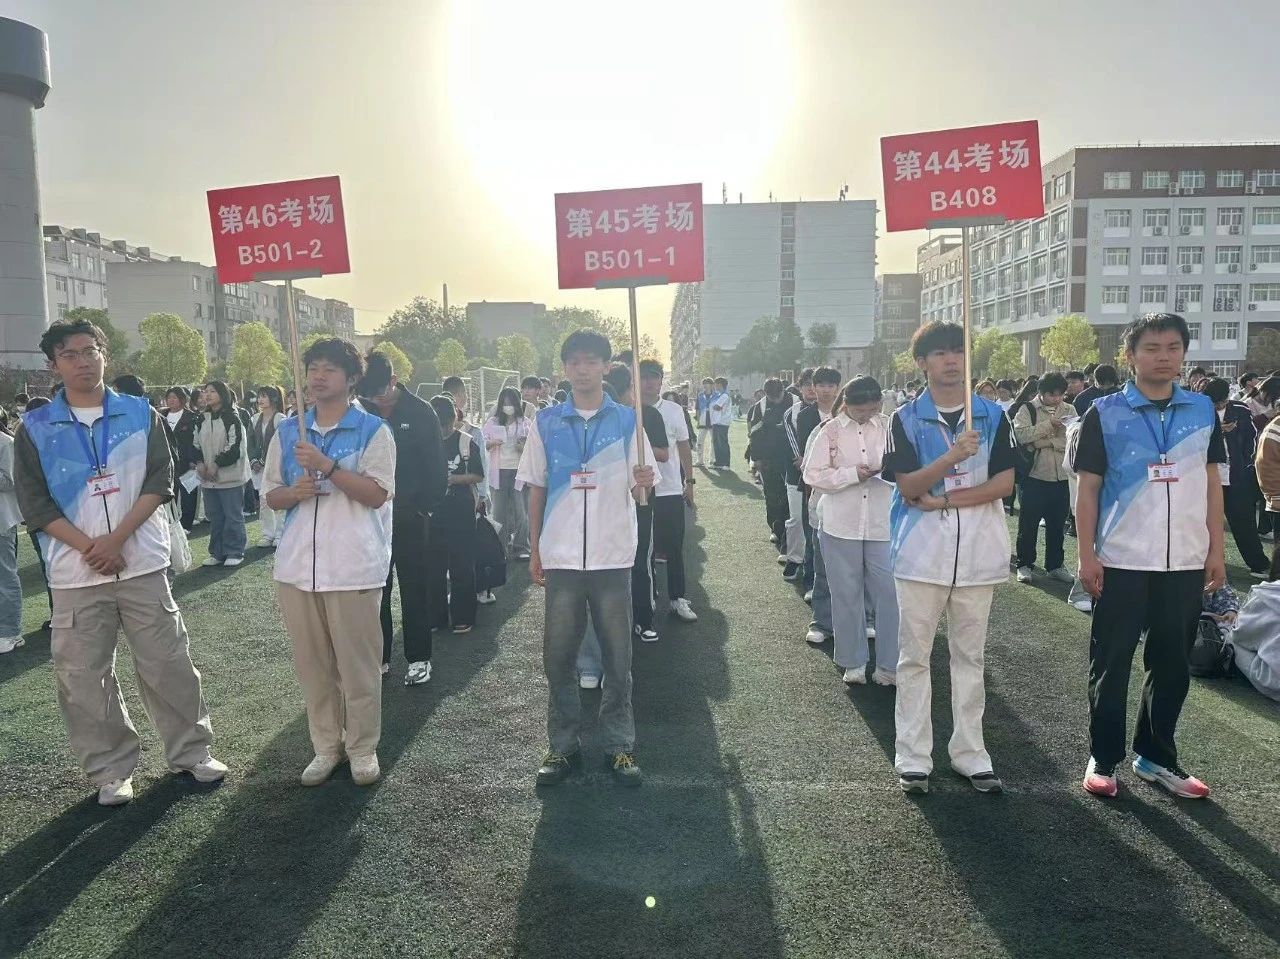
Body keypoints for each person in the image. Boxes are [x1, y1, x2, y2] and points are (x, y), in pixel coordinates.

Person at [15, 318, 226, 805]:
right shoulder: (36, 428)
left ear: (104, 354)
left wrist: (117, 540)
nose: (83, 361)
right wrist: (91, 547)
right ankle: (111, 770)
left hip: (141, 562)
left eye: (90, 350)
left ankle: (191, 752)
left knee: (169, 662)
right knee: (85, 677)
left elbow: (160, 480)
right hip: (75, 572)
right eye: (70, 355)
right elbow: (36, 504)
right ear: (53, 365)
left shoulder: (139, 412)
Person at [1074, 313, 1224, 800]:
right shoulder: (1104, 412)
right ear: (1130, 355)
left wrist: (1216, 548)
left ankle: (1156, 756)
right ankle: (1104, 756)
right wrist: (1087, 555)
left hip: (1184, 562)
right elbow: (1088, 489)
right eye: (1152, 348)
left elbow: (1212, 483)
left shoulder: (1202, 409)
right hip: (1121, 559)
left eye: (1173, 348)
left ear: (1184, 354)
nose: (1164, 357)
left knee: (1173, 664)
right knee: (1111, 662)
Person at [882, 322, 1016, 796]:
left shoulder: (993, 416)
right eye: (940, 353)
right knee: (914, 658)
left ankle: (971, 754)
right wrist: (951, 458)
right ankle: (913, 756)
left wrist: (945, 500)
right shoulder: (904, 418)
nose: (951, 360)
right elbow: (907, 486)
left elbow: (1004, 484)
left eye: (958, 351)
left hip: (979, 553)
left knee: (970, 657)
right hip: (920, 554)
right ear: (922, 363)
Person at [518, 329, 655, 787]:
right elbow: (536, 488)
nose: (582, 369)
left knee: (618, 658)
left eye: (591, 361)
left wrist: (643, 481)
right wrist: (535, 546)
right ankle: (562, 747)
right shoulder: (546, 423)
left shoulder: (628, 421)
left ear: (605, 367)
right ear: (564, 368)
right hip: (561, 557)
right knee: (558, 657)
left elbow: (642, 488)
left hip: (612, 556)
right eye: (574, 361)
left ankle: (619, 745)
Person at [262, 338, 396, 787]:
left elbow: (377, 494)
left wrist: (329, 467)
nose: (318, 377)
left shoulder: (373, 430)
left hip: (354, 565)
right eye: (313, 368)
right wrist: (294, 492)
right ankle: (325, 746)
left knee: (358, 667)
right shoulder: (289, 431)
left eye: (329, 370)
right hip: (297, 568)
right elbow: (271, 495)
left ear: (352, 378)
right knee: (313, 666)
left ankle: (362, 748)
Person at [354, 351, 447, 683]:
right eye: (367, 395)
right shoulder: (361, 412)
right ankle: (379, 657)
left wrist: (425, 507)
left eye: (380, 393)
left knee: (414, 587)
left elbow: (437, 466)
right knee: (374, 588)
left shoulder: (421, 412)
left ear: (393, 381)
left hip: (411, 515)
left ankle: (419, 658)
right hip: (369, 515)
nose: (375, 400)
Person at [803, 376, 897, 686]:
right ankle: (853, 661)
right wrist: (851, 474)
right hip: (840, 523)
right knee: (846, 594)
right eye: (859, 411)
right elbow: (812, 474)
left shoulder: (890, 427)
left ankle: (889, 664)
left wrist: (886, 472)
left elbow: (906, 466)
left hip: (883, 522)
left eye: (871, 409)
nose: (866, 415)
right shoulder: (829, 430)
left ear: (879, 404)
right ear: (846, 404)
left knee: (889, 594)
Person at [605, 362, 668, 643]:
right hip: (607, 508)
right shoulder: (595, 424)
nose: (637, 392)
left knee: (640, 560)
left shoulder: (645, 417)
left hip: (639, 504)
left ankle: (643, 618)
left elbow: (662, 456)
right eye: (632, 387)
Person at [640, 359, 697, 623]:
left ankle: (677, 598)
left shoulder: (674, 410)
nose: (649, 382)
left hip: (670, 489)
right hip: (639, 491)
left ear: (661, 381)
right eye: (643, 377)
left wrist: (690, 482)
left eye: (654, 377)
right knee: (643, 548)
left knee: (674, 546)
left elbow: (684, 447)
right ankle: (647, 597)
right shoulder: (629, 411)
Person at [1199, 378, 1268, 577]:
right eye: (1214, 403)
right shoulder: (1199, 411)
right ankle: (1202, 565)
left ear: (1227, 398)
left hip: (1236, 475)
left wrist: (1246, 461)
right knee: (1203, 524)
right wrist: (1219, 431)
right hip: (1208, 476)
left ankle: (1258, 564)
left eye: (1221, 402)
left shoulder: (1241, 409)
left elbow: (1252, 436)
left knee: (1244, 522)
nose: (1218, 406)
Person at [427, 395, 483, 634]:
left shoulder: (466, 442)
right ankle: (436, 616)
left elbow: (478, 475)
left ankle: (463, 616)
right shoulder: (425, 442)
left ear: (454, 419)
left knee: (462, 565)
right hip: (432, 513)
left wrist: (453, 479)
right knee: (433, 567)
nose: (442, 430)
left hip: (461, 512)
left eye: (445, 425)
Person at [1012, 372, 1075, 584]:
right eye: (1052, 395)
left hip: (1062, 478)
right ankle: (1024, 564)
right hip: (1034, 476)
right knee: (1028, 525)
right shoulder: (1028, 409)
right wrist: (1050, 425)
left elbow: (1073, 440)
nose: (1057, 399)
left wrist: (1045, 442)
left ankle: (1055, 565)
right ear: (1041, 392)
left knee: (1057, 526)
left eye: (1060, 395)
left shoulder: (1070, 409)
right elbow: (1022, 435)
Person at [791, 366, 841, 592]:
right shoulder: (805, 415)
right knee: (813, 528)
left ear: (838, 387)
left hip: (842, 478)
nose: (826, 390)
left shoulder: (844, 411)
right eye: (821, 385)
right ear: (813, 387)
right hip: (813, 480)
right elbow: (806, 451)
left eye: (831, 385)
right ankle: (811, 580)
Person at [194, 381, 249, 567]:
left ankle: (235, 551)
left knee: (232, 515)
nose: (207, 395)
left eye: (213, 391)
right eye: (206, 391)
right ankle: (217, 552)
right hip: (207, 478)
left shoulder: (232, 417)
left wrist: (217, 464)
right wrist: (200, 463)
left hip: (229, 476)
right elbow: (194, 444)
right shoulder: (201, 418)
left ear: (222, 394)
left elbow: (235, 447)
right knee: (215, 516)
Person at [482, 386, 532, 560]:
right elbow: (483, 443)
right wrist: (492, 443)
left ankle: (521, 546)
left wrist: (523, 447)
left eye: (511, 403)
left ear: (517, 404)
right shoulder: (493, 422)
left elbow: (533, 447)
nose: (508, 406)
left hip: (519, 472)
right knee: (499, 513)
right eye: (504, 403)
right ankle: (500, 547)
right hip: (499, 472)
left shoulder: (525, 422)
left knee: (522, 512)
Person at [748, 378, 794, 549]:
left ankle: (789, 531)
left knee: (789, 496)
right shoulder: (760, 407)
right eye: (771, 397)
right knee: (772, 495)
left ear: (783, 391)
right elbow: (754, 434)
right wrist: (756, 459)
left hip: (791, 458)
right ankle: (776, 528)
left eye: (778, 396)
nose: (775, 400)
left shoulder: (795, 402)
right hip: (768, 459)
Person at [781, 370, 817, 580]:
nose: (811, 388)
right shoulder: (791, 413)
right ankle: (794, 559)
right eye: (807, 384)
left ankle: (817, 565)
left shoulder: (834, 410)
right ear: (800, 387)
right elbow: (793, 445)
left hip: (824, 477)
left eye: (815, 383)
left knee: (819, 520)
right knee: (796, 518)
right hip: (796, 475)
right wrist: (805, 462)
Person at [249, 386, 287, 548]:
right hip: (258, 467)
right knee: (263, 500)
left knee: (277, 499)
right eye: (259, 396)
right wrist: (254, 460)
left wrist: (264, 460)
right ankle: (267, 534)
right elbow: (250, 442)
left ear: (274, 398)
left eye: (264, 396)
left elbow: (281, 443)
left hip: (276, 464)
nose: (260, 400)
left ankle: (280, 533)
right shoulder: (254, 418)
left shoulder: (280, 419)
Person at [0, 408, 22, 654]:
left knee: (4, 577)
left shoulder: (6, 443)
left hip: (2, 521)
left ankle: (10, 632)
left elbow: (11, 481)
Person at [163, 387, 201, 531]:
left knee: (188, 493)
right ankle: (171, 523)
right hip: (167, 462)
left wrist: (194, 459)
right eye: (169, 397)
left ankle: (186, 524)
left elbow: (195, 440)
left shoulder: (191, 417)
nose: (171, 400)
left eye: (175, 397)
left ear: (182, 399)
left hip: (186, 461)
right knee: (169, 493)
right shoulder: (162, 415)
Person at [710, 376, 732, 469]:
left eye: (716, 384)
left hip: (722, 423)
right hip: (717, 422)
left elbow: (717, 407)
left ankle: (726, 464)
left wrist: (713, 405)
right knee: (716, 443)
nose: (715, 386)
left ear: (720, 384)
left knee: (722, 443)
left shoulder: (724, 395)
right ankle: (719, 463)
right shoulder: (719, 395)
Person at [695, 377, 716, 467]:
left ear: (711, 385)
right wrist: (698, 421)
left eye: (707, 383)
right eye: (704, 384)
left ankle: (712, 460)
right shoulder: (700, 395)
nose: (705, 385)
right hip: (703, 420)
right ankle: (699, 460)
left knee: (713, 441)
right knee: (699, 441)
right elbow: (697, 409)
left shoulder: (716, 395)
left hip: (713, 420)